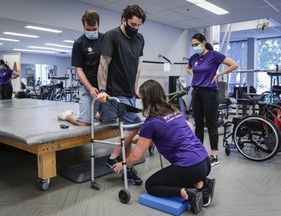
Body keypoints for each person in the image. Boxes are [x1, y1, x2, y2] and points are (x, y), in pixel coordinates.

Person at [113, 80, 215, 214]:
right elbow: (169, 133)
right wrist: (141, 140)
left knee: (151, 185)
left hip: (190, 167)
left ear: (146, 100)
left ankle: (187, 194)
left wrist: (123, 164)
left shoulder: (151, 122)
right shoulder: (174, 110)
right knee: (180, 175)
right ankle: (203, 184)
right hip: (205, 161)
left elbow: (137, 156)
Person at [96, 4, 147, 185]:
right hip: (114, 92)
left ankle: (116, 159)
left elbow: (137, 66)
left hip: (129, 93)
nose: (136, 28)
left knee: (131, 129)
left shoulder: (140, 38)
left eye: (138, 25)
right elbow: (104, 64)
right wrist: (102, 91)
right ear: (123, 20)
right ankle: (114, 158)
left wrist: (135, 88)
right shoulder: (112, 36)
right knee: (136, 124)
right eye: (133, 24)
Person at [186, 33, 239, 167]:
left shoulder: (214, 55)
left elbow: (234, 65)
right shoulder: (194, 58)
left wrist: (219, 74)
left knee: (211, 124)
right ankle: (199, 152)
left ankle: (214, 154)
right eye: (193, 45)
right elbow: (188, 67)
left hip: (210, 93)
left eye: (196, 44)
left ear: (203, 43)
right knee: (198, 124)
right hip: (196, 92)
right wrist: (193, 74)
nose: (195, 47)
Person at [57, 10, 103, 126]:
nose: (91, 32)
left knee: (109, 119)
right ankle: (68, 115)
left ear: (98, 25)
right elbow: (79, 70)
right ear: (83, 26)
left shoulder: (105, 39)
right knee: (84, 123)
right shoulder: (79, 43)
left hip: (104, 88)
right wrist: (90, 88)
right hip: (88, 88)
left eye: (94, 29)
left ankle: (93, 114)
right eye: (88, 29)